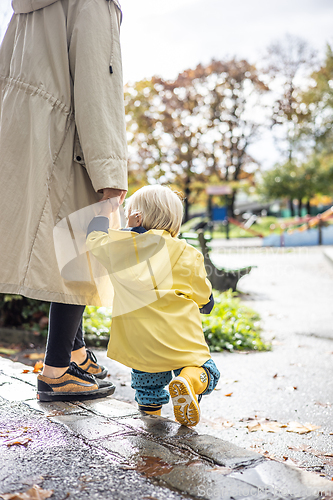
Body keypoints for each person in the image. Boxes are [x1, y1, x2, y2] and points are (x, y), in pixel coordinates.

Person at [0, 0, 128, 401]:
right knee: (81, 247)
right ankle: (57, 371)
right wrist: (110, 172)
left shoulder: (27, 5)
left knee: (61, 247)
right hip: (65, 133)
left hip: (23, 128)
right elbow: (97, 85)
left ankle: (76, 353)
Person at [85, 185, 220, 426]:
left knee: (148, 384)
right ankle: (189, 381)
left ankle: (151, 422)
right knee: (206, 370)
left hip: (139, 340)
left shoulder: (120, 250)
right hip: (177, 335)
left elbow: (94, 239)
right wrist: (206, 301)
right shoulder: (185, 252)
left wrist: (103, 214)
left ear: (136, 216)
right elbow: (201, 291)